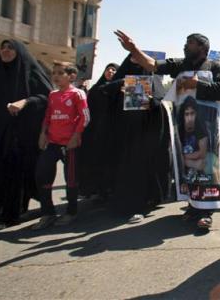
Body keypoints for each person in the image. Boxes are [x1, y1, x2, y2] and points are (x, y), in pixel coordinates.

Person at [115, 31, 220, 229]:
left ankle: (207, 212)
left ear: (203, 48)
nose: (185, 46)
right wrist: (133, 48)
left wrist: (197, 84)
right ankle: (193, 206)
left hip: (208, 128)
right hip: (184, 126)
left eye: (190, 43)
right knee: (188, 165)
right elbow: (152, 65)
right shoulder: (181, 65)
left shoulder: (215, 67)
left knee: (207, 168)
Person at [0, 40, 52, 231]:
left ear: (19, 52)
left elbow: (47, 97)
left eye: (10, 48)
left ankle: (10, 215)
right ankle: (12, 208)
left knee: (12, 173)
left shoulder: (30, 71)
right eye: (3, 47)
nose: (5, 51)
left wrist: (26, 101)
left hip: (21, 135)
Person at [96, 55, 171, 224]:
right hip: (122, 137)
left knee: (141, 171)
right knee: (123, 171)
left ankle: (140, 206)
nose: (136, 64)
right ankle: (121, 204)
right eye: (133, 61)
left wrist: (150, 100)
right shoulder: (117, 83)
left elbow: (160, 107)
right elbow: (102, 95)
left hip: (144, 137)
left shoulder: (153, 82)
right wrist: (120, 85)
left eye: (140, 61)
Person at [32, 62, 90, 230]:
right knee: (42, 174)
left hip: (69, 145)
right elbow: (48, 116)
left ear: (71, 76)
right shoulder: (52, 95)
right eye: (54, 73)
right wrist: (43, 133)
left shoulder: (77, 94)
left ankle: (71, 212)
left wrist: (76, 135)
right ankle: (47, 213)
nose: (55, 76)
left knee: (71, 179)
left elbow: (85, 117)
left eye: (60, 73)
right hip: (52, 143)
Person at [76, 63, 119, 199]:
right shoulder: (96, 89)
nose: (110, 72)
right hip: (98, 132)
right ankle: (100, 190)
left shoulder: (123, 88)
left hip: (116, 131)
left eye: (114, 70)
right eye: (108, 69)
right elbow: (86, 108)